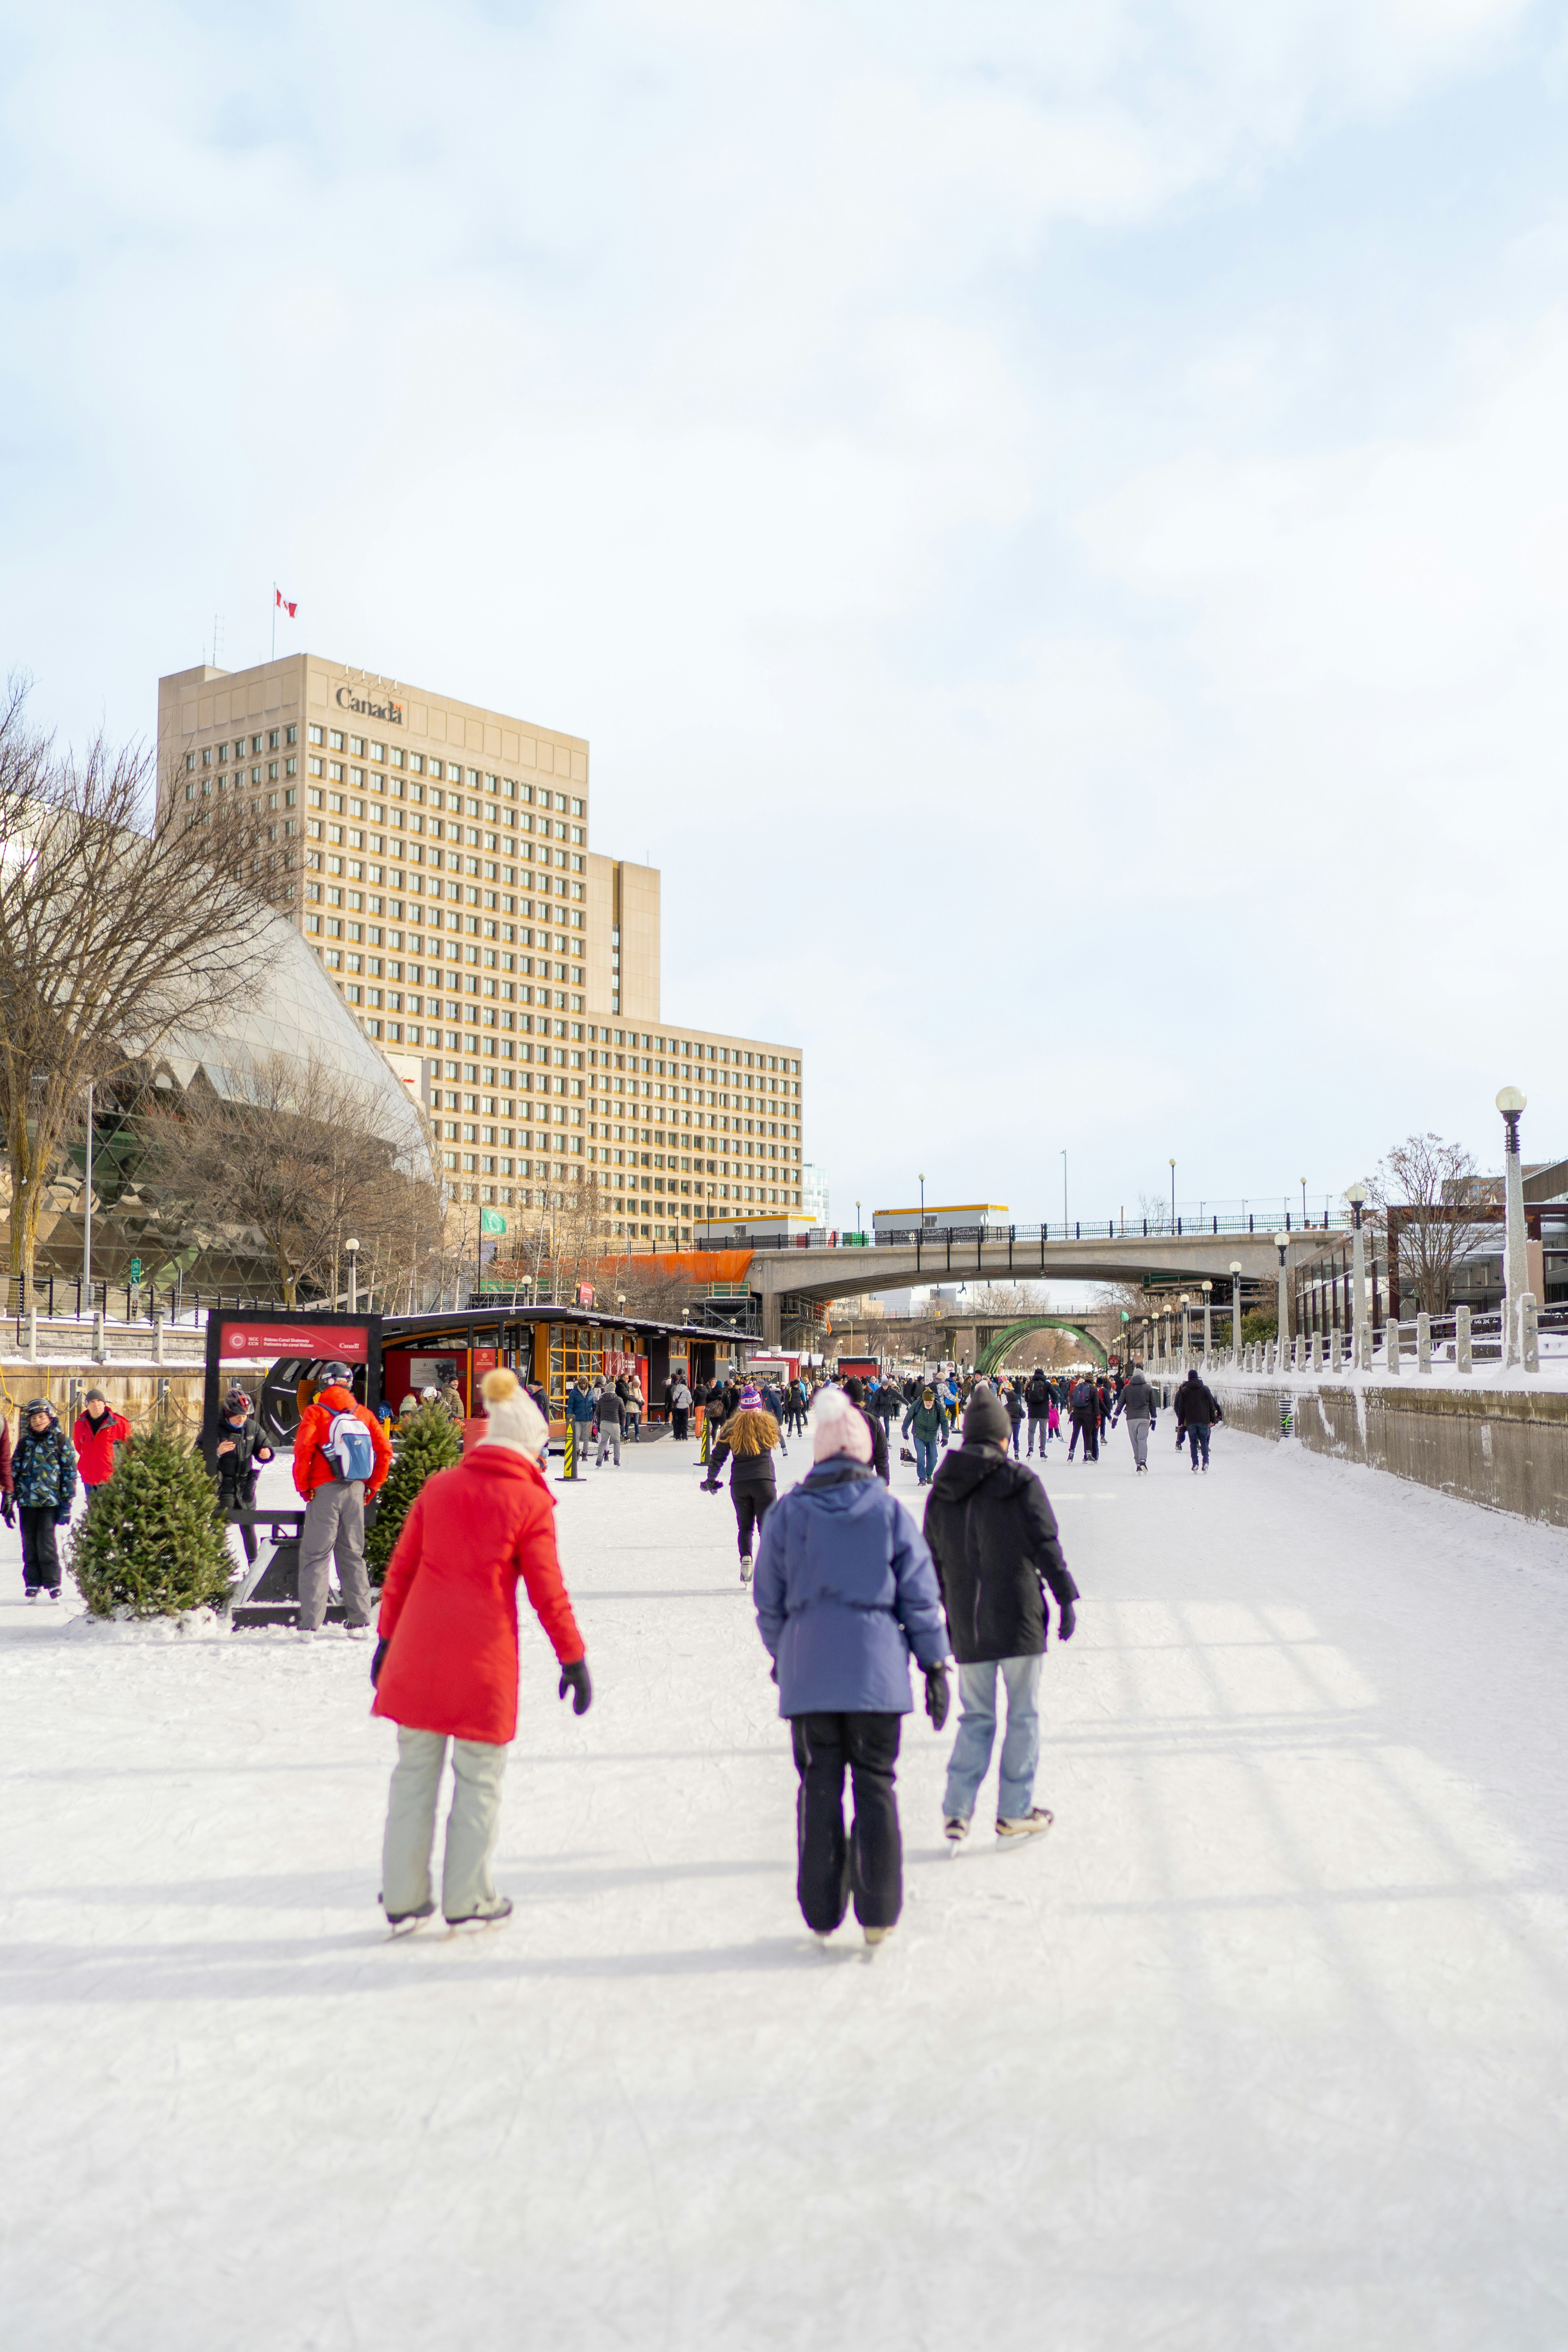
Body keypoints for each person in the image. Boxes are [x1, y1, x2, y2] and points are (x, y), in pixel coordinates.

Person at [372, 1367, 591, 1931]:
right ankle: (467, 1895)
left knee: (413, 1774)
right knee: (478, 1778)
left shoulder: (439, 1486)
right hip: (481, 1657)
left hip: (417, 1649)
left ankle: (401, 1893)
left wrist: (386, 1640)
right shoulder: (527, 1499)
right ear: (527, 1444)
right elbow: (548, 1590)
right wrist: (572, 1657)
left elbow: (400, 1572)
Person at [753, 1390, 950, 1947]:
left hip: (810, 1677)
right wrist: (933, 1662)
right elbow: (919, 1595)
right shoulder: (888, 1511)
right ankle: (878, 1911)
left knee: (818, 1785)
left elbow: (768, 1602)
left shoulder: (787, 1513)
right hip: (877, 1677)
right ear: (864, 1453)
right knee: (875, 1786)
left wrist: (785, 1651)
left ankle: (819, 1910)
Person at [923, 1384, 1079, 1842]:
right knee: (1023, 1715)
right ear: (1003, 1437)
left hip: (967, 1627)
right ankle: (1014, 1808)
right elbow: (1046, 1545)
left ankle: (957, 1809)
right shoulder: (1020, 1481)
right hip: (1019, 1620)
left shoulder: (941, 1492)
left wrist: (943, 1611)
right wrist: (1066, 1596)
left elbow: (932, 1563)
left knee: (977, 1717)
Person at [291, 1363, 393, 1639]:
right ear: (349, 1384)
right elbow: (385, 1450)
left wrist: (304, 1487)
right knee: (352, 1554)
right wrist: (371, 1487)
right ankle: (359, 1622)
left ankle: (310, 1625)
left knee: (316, 1555)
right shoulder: (364, 1413)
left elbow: (303, 1450)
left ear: (324, 1384)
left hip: (324, 1490)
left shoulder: (315, 1412)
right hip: (356, 1489)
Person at [702, 1383, 781, 1582]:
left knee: (745, 1528)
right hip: (765, 1482)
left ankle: (746, 1559)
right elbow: (778, 1441)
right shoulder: (768, 1425)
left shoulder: (731, 1427)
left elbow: (717, 1456)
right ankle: (770, 1567)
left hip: (740, 1483)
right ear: (758, 1406)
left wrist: (711, 1480)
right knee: (767, 1528)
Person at [13, 1398, 76, 1600]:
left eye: (42, 1417)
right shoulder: (25, 1445)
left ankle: (52, 1582)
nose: (38, 1422)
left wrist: (66, 1503)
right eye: (34, 1419)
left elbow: (69, 1473)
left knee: (46, 1542)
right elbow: (14, 1471)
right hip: (27, 1502)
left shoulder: (60, 1441)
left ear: (49, 1418)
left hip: (50, 1502)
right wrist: (8, 1498)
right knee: (29, 1543)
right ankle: (32, 1582)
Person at [212, 1387, 275, 1563]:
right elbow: (198, 1457)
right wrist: (216, 1452)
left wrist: (266, 1453)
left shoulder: (252, 1428)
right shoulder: (214, 1429)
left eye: (245, 1416)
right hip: (222, 1488)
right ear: (228, 1413)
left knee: (249, 1526)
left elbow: (264, 1445)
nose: (242, 1420)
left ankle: (253, 1566)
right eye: (238, 1416)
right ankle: (215, 1568)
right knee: (219, 1528)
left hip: (245, 1487)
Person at [72, 1388, 131, 1503]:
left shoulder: (119, 1423)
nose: (96, 1404)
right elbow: (79, 1446)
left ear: (104, 1403)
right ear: (87, 1406)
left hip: (111, 1479)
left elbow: (130, 1448)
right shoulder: (80, 1424)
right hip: (89, 1478)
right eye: (92, 1402)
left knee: (110, 1515)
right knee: (93, 1514)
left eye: (99, 1401)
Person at [840, 1376, 889, 1485]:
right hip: (864, 1479)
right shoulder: (873, 1421)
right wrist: (885, 1483)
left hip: (838, 1480)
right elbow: (882, 1457)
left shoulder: (835, 1420)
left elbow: (822, 1456)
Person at [1174, 1367, 1223, 1472]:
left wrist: (1181, 1423)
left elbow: (1181, 1408)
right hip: (1204, 1420)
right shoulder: (1205, 1389)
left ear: (1189, 1378)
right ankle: (1206, 1462)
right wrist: (1212, 1420)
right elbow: (1211, 1405)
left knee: (1193, 1443)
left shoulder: (1184, 1391)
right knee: (1204, 1442)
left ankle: (1195, 1464)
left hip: (1191, 1421)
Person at [1110, 1365, 1158, 1473]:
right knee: (1142, 1440)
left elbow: (1121, 1403)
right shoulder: (1148, 1388)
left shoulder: (1127, 1388)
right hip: (1144, 1418)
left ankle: (1138, 1464)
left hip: (1131, 1418)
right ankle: (1143, 1461)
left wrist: (1116, 1417)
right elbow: (1153, 1405)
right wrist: (1154, 1419)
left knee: (1135, 1441)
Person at [906, 1385, 948, 1486]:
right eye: (927, 1401)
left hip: (932, 1436)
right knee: (921, 1457)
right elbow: (909, 1417)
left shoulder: (939, 1407)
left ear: (933, 1400)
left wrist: (945, 1436)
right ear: (924, 1401)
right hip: (918, 1435)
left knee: (933, 1458)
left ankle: (928, 1475)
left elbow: (944, 1422)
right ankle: (922, 1478)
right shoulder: (917, 1405)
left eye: (931, 1401)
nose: (929, 1403)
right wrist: (904, 1430)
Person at [1067, 1374, 1099, 1463]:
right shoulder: (1093, 1389)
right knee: (1088, 1434)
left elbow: (1074, 1401)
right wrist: (1098, 1417)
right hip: (1088, 1415)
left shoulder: (1078, 1387)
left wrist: (1072, 1414)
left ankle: (1071, 1453)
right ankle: (1089, 1454)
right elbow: (1096, 1405)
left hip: (1077, 1414)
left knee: (1075, 1433)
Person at [593, 1379, 624, 1468]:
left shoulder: (601, 1400)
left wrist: (600, 1422)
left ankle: (599, 1462)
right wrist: (622, 1424)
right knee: (617, 1442)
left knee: (603, 1442)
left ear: (606, 1389)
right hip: (615, 1423)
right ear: (614, 1390)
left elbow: (598, 1412)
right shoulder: (619, 1399)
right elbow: (623, 1413)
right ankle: (616, 1461)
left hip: (604, 1423)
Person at [1024, 1369, 1051, 1456]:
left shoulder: (1030, 1384)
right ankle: (1043, 1451)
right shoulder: (1047, 1384)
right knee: (1043, 1432)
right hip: (1044, 1412)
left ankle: (1031, 1447)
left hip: (1033, 1412)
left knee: (1031, 1431)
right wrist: (1052, 1403)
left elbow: (1026, 1398)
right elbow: (1055, 1396)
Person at [1003, 1378, 1026, 1460]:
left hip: (1008, 1424)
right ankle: (1016, 1453)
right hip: (1016, 1424)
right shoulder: (1018, 1406)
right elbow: (1023, 1415)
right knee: (1016, 1439)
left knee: (1008, 1439)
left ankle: (1005, 1452)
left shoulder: (1005, 1407)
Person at [669, 1373, 692, 1441]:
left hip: (678, 1408)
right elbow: (690, 1401)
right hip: (685, 1408)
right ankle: (684, 1436)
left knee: (678, 1422)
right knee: (685, 1422)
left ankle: (677, 1436)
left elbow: (674, 1399)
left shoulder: (677, 1390)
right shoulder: (687, 1391)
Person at [624, 1373, 643, 1441]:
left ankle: (637, 1435)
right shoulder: (628, 1388)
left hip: (636, 1408)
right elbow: (628, 1396)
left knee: (636, 1422)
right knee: (628, 1422)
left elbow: (640, 1396)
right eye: (637, 1386)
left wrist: (642, 1401)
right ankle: (625, 1435)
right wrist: (635, 1399)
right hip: (629, 1407)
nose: (637, 1387)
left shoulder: (638, 1389)